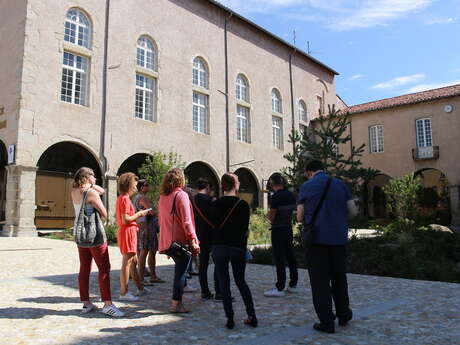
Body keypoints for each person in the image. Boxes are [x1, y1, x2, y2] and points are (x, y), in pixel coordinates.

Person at [296, 160, 358, 334]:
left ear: (309, 172)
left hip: (317, 242)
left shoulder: (307, 186)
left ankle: (327, 322)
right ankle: (344, 314)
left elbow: (300, 217)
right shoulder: (340, 184)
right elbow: (353, 211)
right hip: (338, 240)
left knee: (320, 282)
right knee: (339, 277)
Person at [71, 167, 124, 317]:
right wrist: (92, 188)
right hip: (95, 236)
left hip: (81, 235)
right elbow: (105, 214)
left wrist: (92, 185)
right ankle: (108, 304)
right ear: (87, 177)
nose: (96, 178)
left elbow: (102, 191)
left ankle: (86, 302)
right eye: (93, 176)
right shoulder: (91, 193)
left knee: (84, 268)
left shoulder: (75, 191)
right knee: (104, 268)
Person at [213, 173, 257, 329]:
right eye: (238, 181)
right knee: (241, 281)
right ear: (234, 185)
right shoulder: (243, 205)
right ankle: (251, 315)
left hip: (219, 246)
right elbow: (245, 230)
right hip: (237, 247)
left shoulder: (215, 204)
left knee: (224, 282)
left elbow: (213, 226)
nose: (239, 183)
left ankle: (229, 318)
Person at [158, 168, 200, 313]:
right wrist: (193, 239)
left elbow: (162, 220)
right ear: (181, 180)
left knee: (179, 271)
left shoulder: (164, 196)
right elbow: (187, 221)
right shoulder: (181, 195)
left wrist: (166, 243)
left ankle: (176, 302)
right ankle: (176, 303)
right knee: (181, 273)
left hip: (169, 241)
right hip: (180, 241)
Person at [116, 172, 150, 302]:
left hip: (128, 232)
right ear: (128, 184)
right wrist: (140, 214)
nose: (136, 186)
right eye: (134, 184)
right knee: (127, 262)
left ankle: (140, 288)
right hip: (127, 232)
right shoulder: (124, 198)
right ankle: (124, 292)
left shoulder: (123, 198)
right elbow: (126, 219)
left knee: (133, 262)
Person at [264, 174, 298, 297]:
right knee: (290, 256)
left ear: (273, 185)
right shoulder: (290, 195)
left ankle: (280, 287)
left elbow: (272, 216)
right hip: (288, 228)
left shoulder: (275, 197)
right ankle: (293, 284)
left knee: (279, 258)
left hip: (278, 229)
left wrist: (267, 217)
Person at [190, 178, 221, 300]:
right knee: (218, 263)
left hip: (199, 236)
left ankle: (205, 291)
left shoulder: (193, 200)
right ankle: (219, 292)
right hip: (213, 235)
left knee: (203, 264)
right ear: (207, 187)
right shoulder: (211, 200)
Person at [133, 179, 165, 285]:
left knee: (151, 251)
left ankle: (152, 276)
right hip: (146, 227)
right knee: (145, 252)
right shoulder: (142, 197)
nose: (149, 187)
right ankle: (142, 278)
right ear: (142, 187)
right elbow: (151, 211)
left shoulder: (137, 197)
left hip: (147, 227)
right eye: (147, 185)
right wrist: (158, 209)